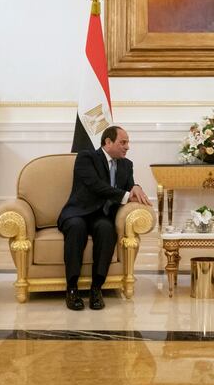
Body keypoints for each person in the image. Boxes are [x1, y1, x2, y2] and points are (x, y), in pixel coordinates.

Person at [57, 125, 150, 311]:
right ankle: (72, 289)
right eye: (123, 142)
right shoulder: (86, 157)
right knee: (76, 228)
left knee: (107, 229)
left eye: (128, 142)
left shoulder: (126, 164)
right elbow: (96, 186)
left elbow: (131, 186)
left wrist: (137, 186)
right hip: (78, 212)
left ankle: (96, 288)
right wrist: (126, 195)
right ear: (108, 142)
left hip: (102, 216)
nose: (127, 146)